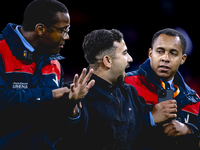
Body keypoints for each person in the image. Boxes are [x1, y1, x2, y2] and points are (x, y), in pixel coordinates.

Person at [55, 29, 171, 150]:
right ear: (107, 61)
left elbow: (142, 127)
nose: (130, 58)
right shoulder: (73, 93)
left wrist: (155, 117)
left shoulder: (129, 93)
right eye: (125, 53)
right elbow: (60, 130)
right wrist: (69, 106)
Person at [0, 0, 94, 149]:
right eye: (63, 30)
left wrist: (70, 104)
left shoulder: (54, 64)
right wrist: (50, 94)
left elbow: (57, 125)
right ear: (40, 29)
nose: (67, 36)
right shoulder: (2, 50)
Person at [125, 28, 200, 150]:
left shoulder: (194, 101)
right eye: (160, 51)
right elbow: (108, 127)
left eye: (173, 53)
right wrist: (150, 118)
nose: (165, 58)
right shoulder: (126, 84)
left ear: (183, 59)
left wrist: (188, 129)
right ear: (150, 53)